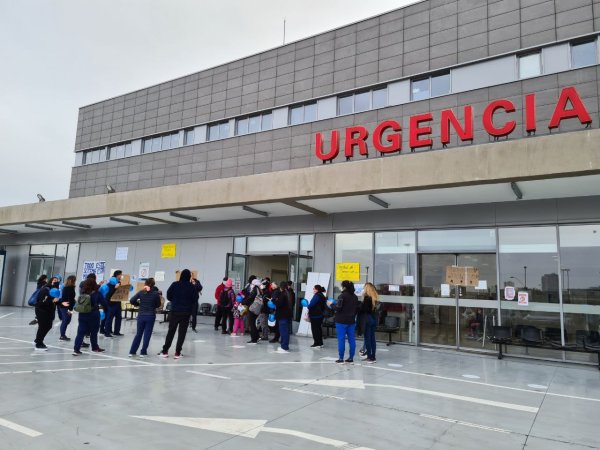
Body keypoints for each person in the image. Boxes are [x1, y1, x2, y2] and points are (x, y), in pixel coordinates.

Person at [158, 269, 200, 359]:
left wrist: (175, 301)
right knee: (182, 333)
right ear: (189, 276)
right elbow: (195, 299)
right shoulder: (192, 287)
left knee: (171, 331)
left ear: (181, 276)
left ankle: (165, 351)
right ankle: (177, 353)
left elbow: (169, 295)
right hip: (186, 313)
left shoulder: (175, 284)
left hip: (175, 311)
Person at [128, 278, 162, 357]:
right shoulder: (155, 293)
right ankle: (143, 352)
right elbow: (158, 304)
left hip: (141, 315)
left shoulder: (141, 292)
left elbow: (132, 300)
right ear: (153, 284)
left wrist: (138, 304)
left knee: (138, 334)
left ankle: (132, 351)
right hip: (150, 316)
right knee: (147, 334)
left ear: (145, 283)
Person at [73, 278, 105, 355]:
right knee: (94, 332)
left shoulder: (82, 292)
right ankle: (94, 347)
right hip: (93, 315)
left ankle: (76, 349)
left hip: (82, 314)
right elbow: (104, 303)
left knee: (80, 332)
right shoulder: (97, 293)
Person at [334, 280, 359, 364]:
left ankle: (341, 358)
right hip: (351, 321)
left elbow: (338, 308)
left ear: (344, 287)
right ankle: (351, 358)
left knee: (341, 340)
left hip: (341, 321)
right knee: (352, 340)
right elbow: (356, 309)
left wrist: (331, 305)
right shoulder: (355, 297)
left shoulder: (342, 296)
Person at [33, 284, 60, 350]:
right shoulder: (45, 291)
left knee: (49, 326)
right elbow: (41, 303)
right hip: (41, 311)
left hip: (48, 312)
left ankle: (38, 340)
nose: (55, 282)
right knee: (42, 327)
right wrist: (52, 301)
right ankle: (38, 344)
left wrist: (61, 303)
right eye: (54, 280)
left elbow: (56, 301)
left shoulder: (54, 291)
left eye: (56, 281)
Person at [100, 271, 123, 337]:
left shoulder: (119, 283)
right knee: (109, 317)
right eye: (120, 275)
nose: (121, 276)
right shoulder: (110, 283)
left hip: (118, 302)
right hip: (110, 303)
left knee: (119, 317)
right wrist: (115, 288)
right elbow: (108, 294)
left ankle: (116, 331)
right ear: (117, 275)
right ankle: (106, 332)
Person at [361, 282, 379, 364]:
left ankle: (370, 357)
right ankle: (373, 356)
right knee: (372, 339)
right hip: (373, 319)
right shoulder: (374, 297)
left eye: (364, 287)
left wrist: (359, 306)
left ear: (367, 288)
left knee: (367, 339)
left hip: (367, 320)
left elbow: (365, 310)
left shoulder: (366, 298)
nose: (363, 289)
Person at [272, 281, 292, 353]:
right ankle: (284, 346)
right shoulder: (288, 293)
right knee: (285, 331)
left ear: (281, 287)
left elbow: (279, 303)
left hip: (283, 315)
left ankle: (284, 347)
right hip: (287, 314)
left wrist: (273, 300)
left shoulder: (283, 294)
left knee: (284, 331)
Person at [243, 278, 262, 344]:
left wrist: (243, 302)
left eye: (252, 283)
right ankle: (257, 337)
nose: (251, 285)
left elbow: (251, 297)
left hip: (253, 308)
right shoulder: (259, 289)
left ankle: (254, 339)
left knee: (251, 324)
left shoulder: (255, 288)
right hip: (258, 308)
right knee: (253, 323)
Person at [58, 275, 77, 341]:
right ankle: (62, 336)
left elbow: (71, 298)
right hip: (66, 307)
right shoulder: (68, 288)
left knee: (67, 321)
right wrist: (69, 309)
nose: (75, 281)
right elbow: (68, 299)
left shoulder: (70, 287)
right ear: (72, 280)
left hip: (69, 307)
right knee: (65, 321)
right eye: (75, 280)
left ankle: (63, 335)